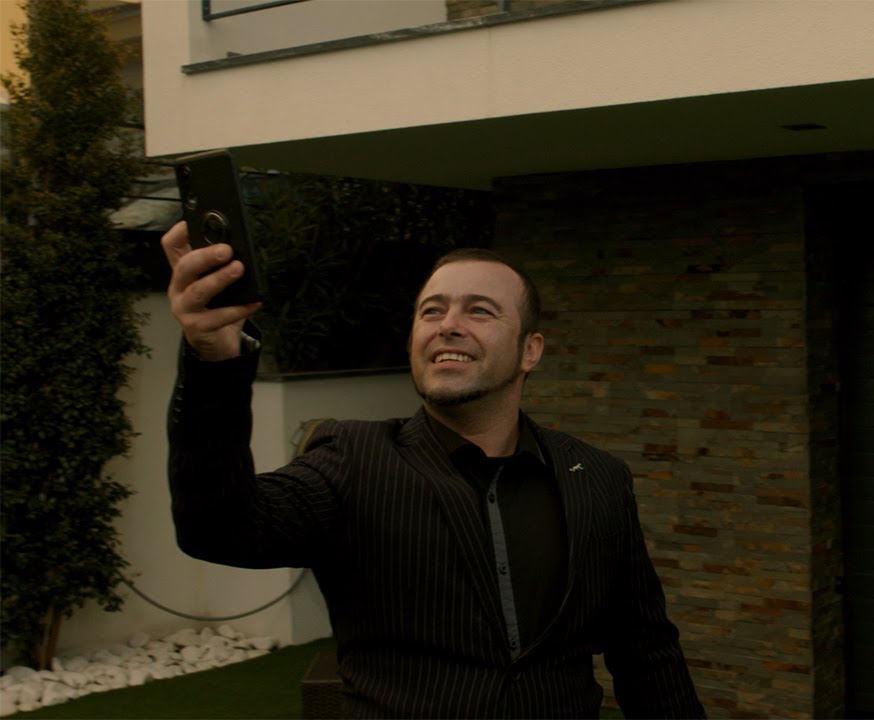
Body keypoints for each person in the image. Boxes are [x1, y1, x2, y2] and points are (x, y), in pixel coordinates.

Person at [161, 221, 705, 718]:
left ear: (530, 350)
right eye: (431, 311)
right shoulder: (353, 459)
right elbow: (218, 526)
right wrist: (214, 359)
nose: (448, 326)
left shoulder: (599, 477)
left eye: (479, 310)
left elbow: (646, 652)